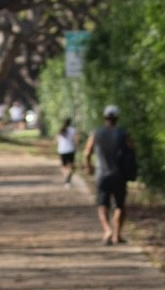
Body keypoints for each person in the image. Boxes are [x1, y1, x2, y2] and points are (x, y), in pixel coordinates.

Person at [83, 104, 134, 244]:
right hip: (119, 175)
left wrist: (89, 167)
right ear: (117, 118)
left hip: (102, 175)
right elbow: (132, 151)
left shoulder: (96, 133)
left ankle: (107, 230)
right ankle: (117, 235)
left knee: (102, 204)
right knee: (119, 205)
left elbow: (87, 152)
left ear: (104, 117)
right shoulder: (124, 134)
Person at [55, 118, 78, 186]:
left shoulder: (60, 130)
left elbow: (57, 140)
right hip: (70, 150)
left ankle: (66, 179)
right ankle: (68, 179)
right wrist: (76, 146)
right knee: (71, 165)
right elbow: (75, 140)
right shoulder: (72, 130)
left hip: (62, 150)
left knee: (63, 166)